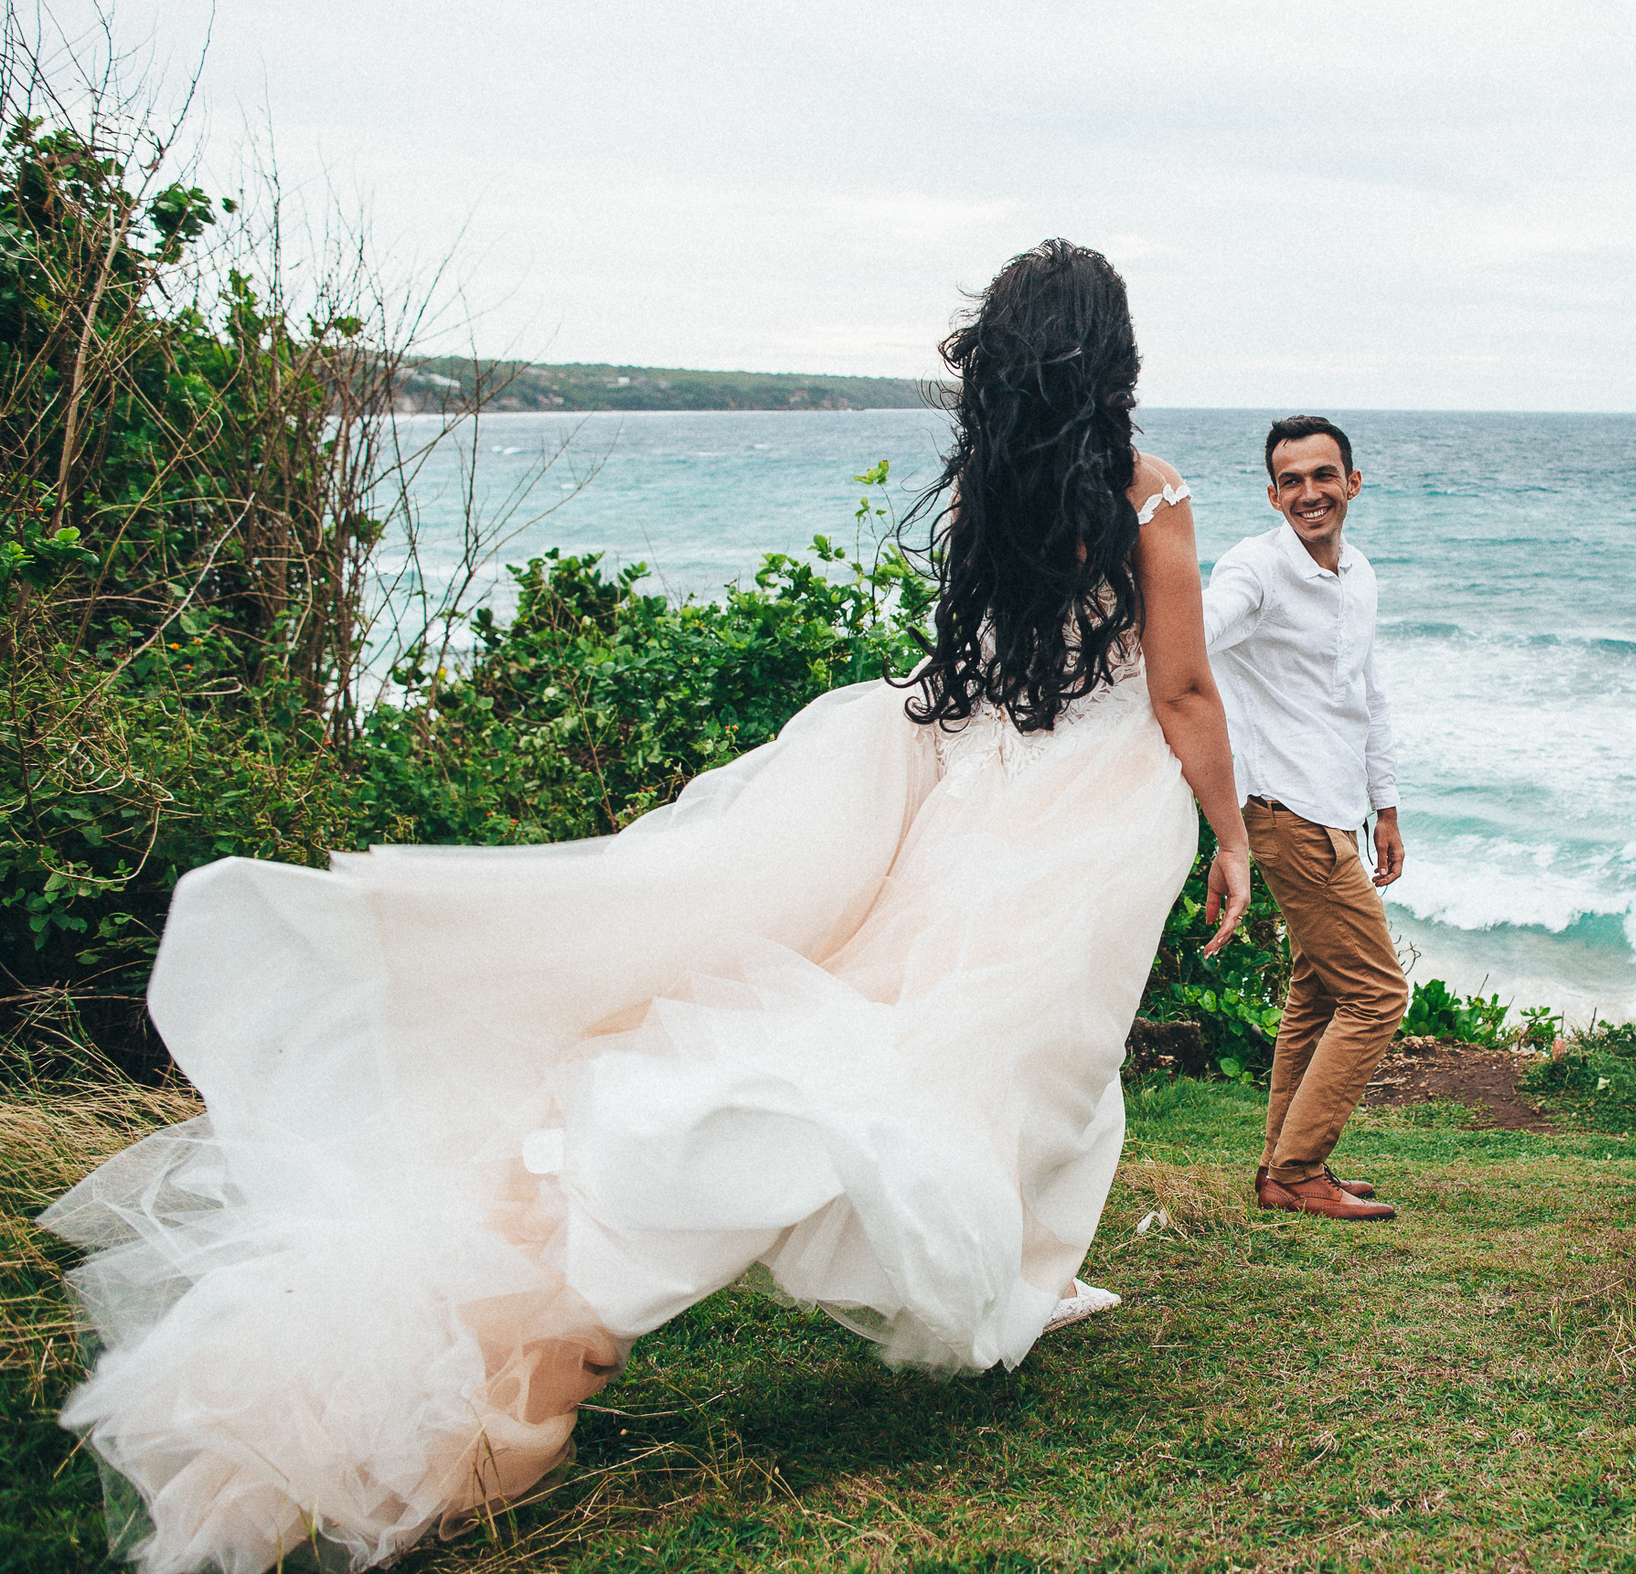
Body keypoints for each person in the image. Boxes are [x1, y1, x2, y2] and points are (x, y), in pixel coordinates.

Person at [38, 240, 1253, 1574]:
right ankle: (604, 1309)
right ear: (1111, 359)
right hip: (1083, 809)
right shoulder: (1146, 491)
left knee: (954, 1031)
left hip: (979, 781)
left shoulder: (990, 493)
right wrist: (1235, 834)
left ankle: (1030, 1267)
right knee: (1005, 1045)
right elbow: (1184, 691)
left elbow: (972, 661)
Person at [1202, 415, 1408, 1222]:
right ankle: (1297, 1167)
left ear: (1352, 483)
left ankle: (1280, 1167)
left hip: (1337, 811)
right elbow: (1206, 625)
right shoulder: (1254, 567)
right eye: (1292, 480)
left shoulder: (1357, 574)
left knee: (1318, 994)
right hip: (1286, 813)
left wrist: (1384, 804)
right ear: (1272, 493)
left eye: (1323, 476)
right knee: (1379, 995)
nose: (1309, 493)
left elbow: (1366, 694)